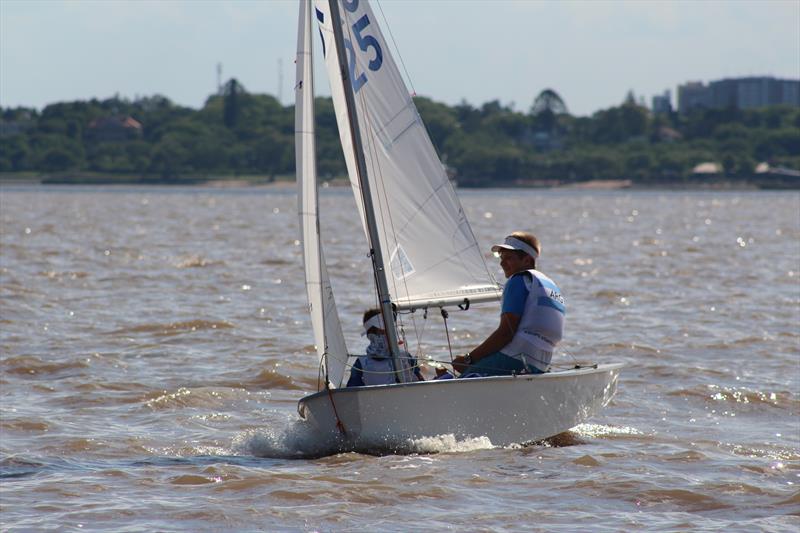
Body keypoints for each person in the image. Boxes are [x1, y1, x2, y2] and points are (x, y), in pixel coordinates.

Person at [452, 231, 564, 377]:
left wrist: (468, 359)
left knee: (462, 378)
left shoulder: (518, 280)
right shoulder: (550, 285)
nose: (502, 263)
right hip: (540, 364)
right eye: (501, 257)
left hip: (515, 357)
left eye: (509, 258)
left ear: (527, 261)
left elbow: (506, 333)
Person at [346, 309, 425, 387]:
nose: (385, 335)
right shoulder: (361, 364)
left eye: (388, 331)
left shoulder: (405, 357)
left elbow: (424, 386)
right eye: (380, 332)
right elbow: (350, 393)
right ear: (370, 335)